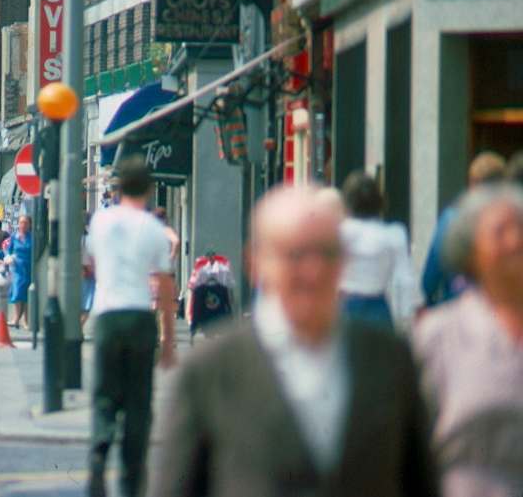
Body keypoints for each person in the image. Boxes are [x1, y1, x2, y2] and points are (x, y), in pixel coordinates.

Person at [148, 184, 436, 497]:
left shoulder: (390, 361)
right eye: (295, 255)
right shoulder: (210, 371)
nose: (312, 271)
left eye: (325, 253)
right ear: (256, 264)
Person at [413, 183, 523, 497]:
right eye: (501, 232)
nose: (515, 241)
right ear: (471, 251)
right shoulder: (437, 337)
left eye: (522, 229)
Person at [85, 157, 176, 497]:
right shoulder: (153, 228)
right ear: (150, 188)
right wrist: (167, 341)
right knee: (139, 401)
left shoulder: (101, 221)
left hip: (107, 316)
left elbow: (91, 265)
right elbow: (165, 286)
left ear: (119, 187)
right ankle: (131, 478)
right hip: (140, 317)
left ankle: (98, 453)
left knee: (105, 395)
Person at [422, 151, 506, 307]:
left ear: (472, 182)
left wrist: (427, 300)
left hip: (457, 305)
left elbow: (432, 272)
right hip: (500, 313)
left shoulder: (451, 219)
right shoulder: (512, 222)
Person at [338, 171, 420, 329]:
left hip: (345, 306)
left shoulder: (339, 233)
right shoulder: (394, 234)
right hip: (378, 308)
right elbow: (404, 278)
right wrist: (408, 314)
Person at [6, 215, 33, 329]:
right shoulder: (14, 237)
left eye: (25, 223)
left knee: (27, 294)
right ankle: (16, 318)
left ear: (30, 225)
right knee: (17, 292)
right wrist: (9, 258)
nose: (23, 225)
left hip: (28, 268)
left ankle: (26, 321)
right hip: (17, 268)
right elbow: (9, 251)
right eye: (21, 222)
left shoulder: (32, 238)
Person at [80, 213, 96, 329]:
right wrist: (86, 267)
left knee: (86, 305)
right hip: (87, 273)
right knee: (87, 305)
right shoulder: (86, 238)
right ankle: (78, 328)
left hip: (88, 273)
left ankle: (78, 327)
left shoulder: (85, 237)